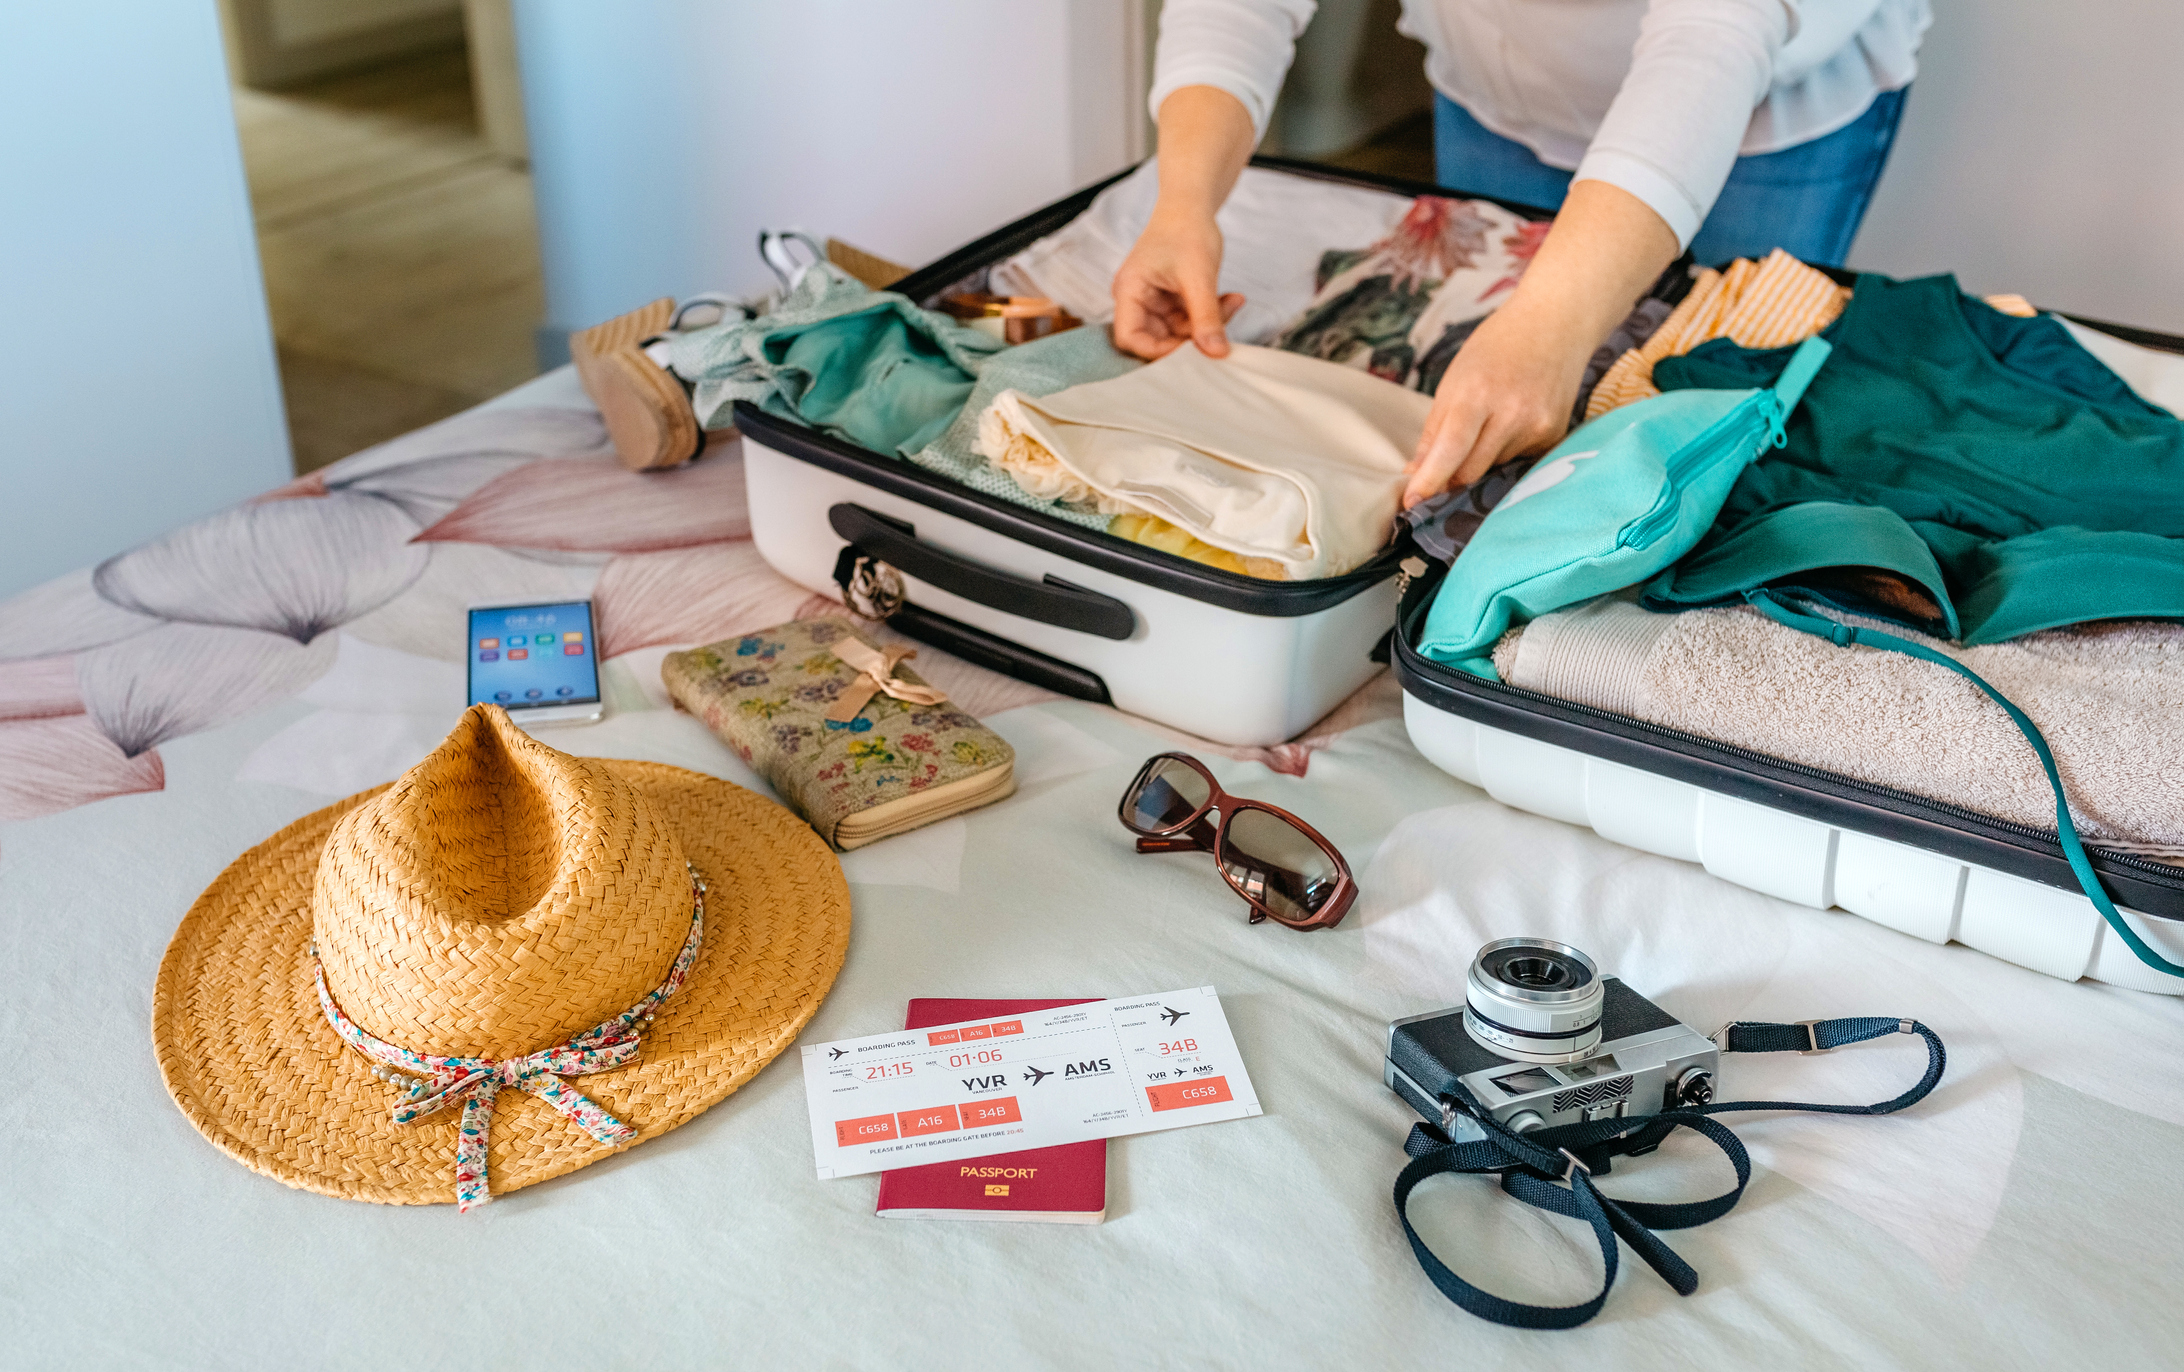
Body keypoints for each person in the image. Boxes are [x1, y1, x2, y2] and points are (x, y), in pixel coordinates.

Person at [1111, 0, 1927, 509]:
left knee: (1715, 427)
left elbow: (1715, 33)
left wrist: (1550, 323)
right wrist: (1182, 205)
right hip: (1498, 82)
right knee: (1503, 405)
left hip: (1758, 109)